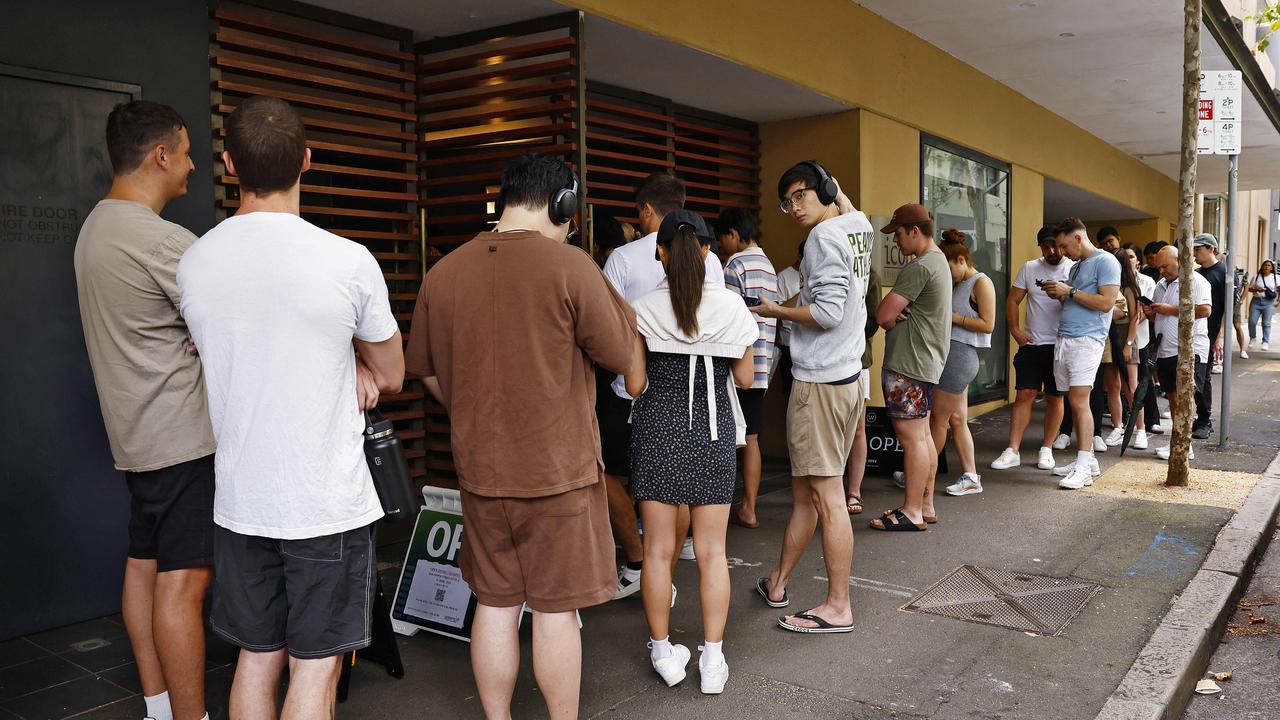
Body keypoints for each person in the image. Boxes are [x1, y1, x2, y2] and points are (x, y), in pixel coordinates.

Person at [178, 96, 405, 719]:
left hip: (241, 500)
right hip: (325, 500)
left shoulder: (194, 264)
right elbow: (393, 372)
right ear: (307, 161)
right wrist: (354, 366)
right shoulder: (346, 260)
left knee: (256, 657)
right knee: (315, 665)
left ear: (228, 165)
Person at [405, 154, 635, 719]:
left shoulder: (445, 272)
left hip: (482, 472)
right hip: (560, 472)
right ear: (564, 205)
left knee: (495, 603)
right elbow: (620, 355)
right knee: (556, 612)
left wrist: (471, 409)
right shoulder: (571, 266)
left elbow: (427, 368)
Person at [73, 101, 214, 720]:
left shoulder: (96, 228)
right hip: (182, 437)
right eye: (185, 153)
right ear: (161, 155)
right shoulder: (160, 240)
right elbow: (228, 322)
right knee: (184, 582)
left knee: (144, 566)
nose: (191, 166)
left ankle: (157, 703)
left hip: (135, 438)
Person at [624, 210, 756, 693]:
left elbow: (635, 383)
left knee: (658, 552)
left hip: (658, 432)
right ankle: (713, 661)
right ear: (707, 252)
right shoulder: (733, 308)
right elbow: (743, 379)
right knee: (712, 553)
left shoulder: (639, 308)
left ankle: (664, 654)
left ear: (660, 252)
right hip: (713, 434)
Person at [752, 160, 872, 633]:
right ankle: (777, 582)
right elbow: (845, 202)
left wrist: (776, 310)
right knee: (806, 495)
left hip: (820, 382)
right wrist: (834, 189)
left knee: (827, 498)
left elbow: (826, 313)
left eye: (800, 195)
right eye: (787, 201)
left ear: (821, 189)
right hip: (846, 378)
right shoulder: (855, 223)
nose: (794, 207)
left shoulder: (823, 239)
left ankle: (838, 606)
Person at [601, 172, 724, 598]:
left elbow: (610, 329)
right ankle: (663, 578)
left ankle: (640, 564)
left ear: (648, 212)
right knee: (688, 500)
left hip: (637, 398)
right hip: (705, 406)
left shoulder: (621, 258)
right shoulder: (715, 265)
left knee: (609, 476)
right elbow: (724, 337)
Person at [871, 204, 951, 529]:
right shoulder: (940, 261)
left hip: (909, 364)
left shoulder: (919, 267)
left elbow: (882, 315)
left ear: (914, 231)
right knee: (924, 436)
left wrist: (892, 318)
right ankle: (925, 505)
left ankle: (912, 510)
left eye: (899, 234)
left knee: (913, 439)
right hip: (926, 362)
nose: (896, 242)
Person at [1041, 218, 1121, 490]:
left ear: (1078, 238)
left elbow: (1107, 303)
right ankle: (1089, 461)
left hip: (1088, 340)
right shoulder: (1076, 267)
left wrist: (1070, 291)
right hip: (1066, 338)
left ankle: (1084, 467)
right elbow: (1075, 299)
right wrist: (1059, 294)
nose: (1061, 252)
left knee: (1078, 401)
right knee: (1072, 400)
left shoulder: (1106, 261)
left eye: (1064, 245)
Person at [991, 226, 1075, 472]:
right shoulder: (1030, 267)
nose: (1051, 251)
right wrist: (1015, 330)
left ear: (1062, 244)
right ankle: (1012, 449)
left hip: (1060, 343)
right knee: (1024, 394)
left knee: (1054, 397)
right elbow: (1013, 300)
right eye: (1045, 247)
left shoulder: (1072, 268)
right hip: (1032, 343)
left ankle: (1047, 448)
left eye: (1055, 246)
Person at [716, 208, 778, 530]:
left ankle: (718, 509)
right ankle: (749, 508)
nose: (721, 245)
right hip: (762, 364)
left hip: (737, 365)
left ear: (734, 233)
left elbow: (728, 319)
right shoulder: (769, 267)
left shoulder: (735, 265)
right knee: (752, 438)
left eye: (723, 238)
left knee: (727, 438)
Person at [933, 231, 995, 496]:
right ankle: (971, 477)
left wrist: (954, 318)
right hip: (953, 355)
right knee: (957, 420)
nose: (948, 274)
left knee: (938, 420)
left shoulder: (981, 282)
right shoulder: (958, 283)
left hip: (961, 356)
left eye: (949, 268)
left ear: (961, 260)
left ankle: (918, 471)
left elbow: (988, 324)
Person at [1143, 245, 1212, 460]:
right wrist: (1151, 314)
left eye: (1164, 266)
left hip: (1190, 350)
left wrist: (1169, 310)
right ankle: (1179, 442)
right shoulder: (1160, 285)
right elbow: (1160, 317)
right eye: (1159, 267)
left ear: (1179, 261)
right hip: (1165, 350)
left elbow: (1204, 310)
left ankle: (1185, 444)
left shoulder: (1196, 281)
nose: (1161, 271)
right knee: (1173, 398)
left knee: (1185, 398)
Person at [1106, 246, 1154, 450]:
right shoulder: (1110, 285)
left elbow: (1135, 317)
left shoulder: (1130, 287)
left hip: (1127, 337)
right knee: (1113, 386)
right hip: (1110, 336)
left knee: (1132, 388)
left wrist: (1128, 345)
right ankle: (1118, 426)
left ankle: (1141, 429)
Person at [844, 269, 882, 513]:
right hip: (828, 360)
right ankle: (833, 491)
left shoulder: (871, 275)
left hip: (858, 359)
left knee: (858, 428)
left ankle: (854, 491)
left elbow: (873, 322)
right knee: (835, 431)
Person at [1192, 234, 1225, 438]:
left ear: (1211, 249)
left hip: (1211, 333)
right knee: (1195, 375)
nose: (1195, 253)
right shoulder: (1197, 273)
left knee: (1203, 376)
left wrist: (1220, 336)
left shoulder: (1223, 272)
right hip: (1195, 331)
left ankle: (1205, 419)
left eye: (1198, 249)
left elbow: (1228, 308)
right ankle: (1199, 417)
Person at [1247, 259, 1278, 351]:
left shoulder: (1275, 277)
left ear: (1272, 268)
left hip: (1268, 303)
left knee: (1266, 323)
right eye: (1265, 265)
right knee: (1252, 321)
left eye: (1269, 265)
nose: (1267, 267)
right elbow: (1249, 288)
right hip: (1256, 301)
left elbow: (1279, 289)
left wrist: (1278, 301)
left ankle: (1265, 341)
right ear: (1262, 267)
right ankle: (1252, 337)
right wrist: (1256, 290)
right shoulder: (1257, 276)